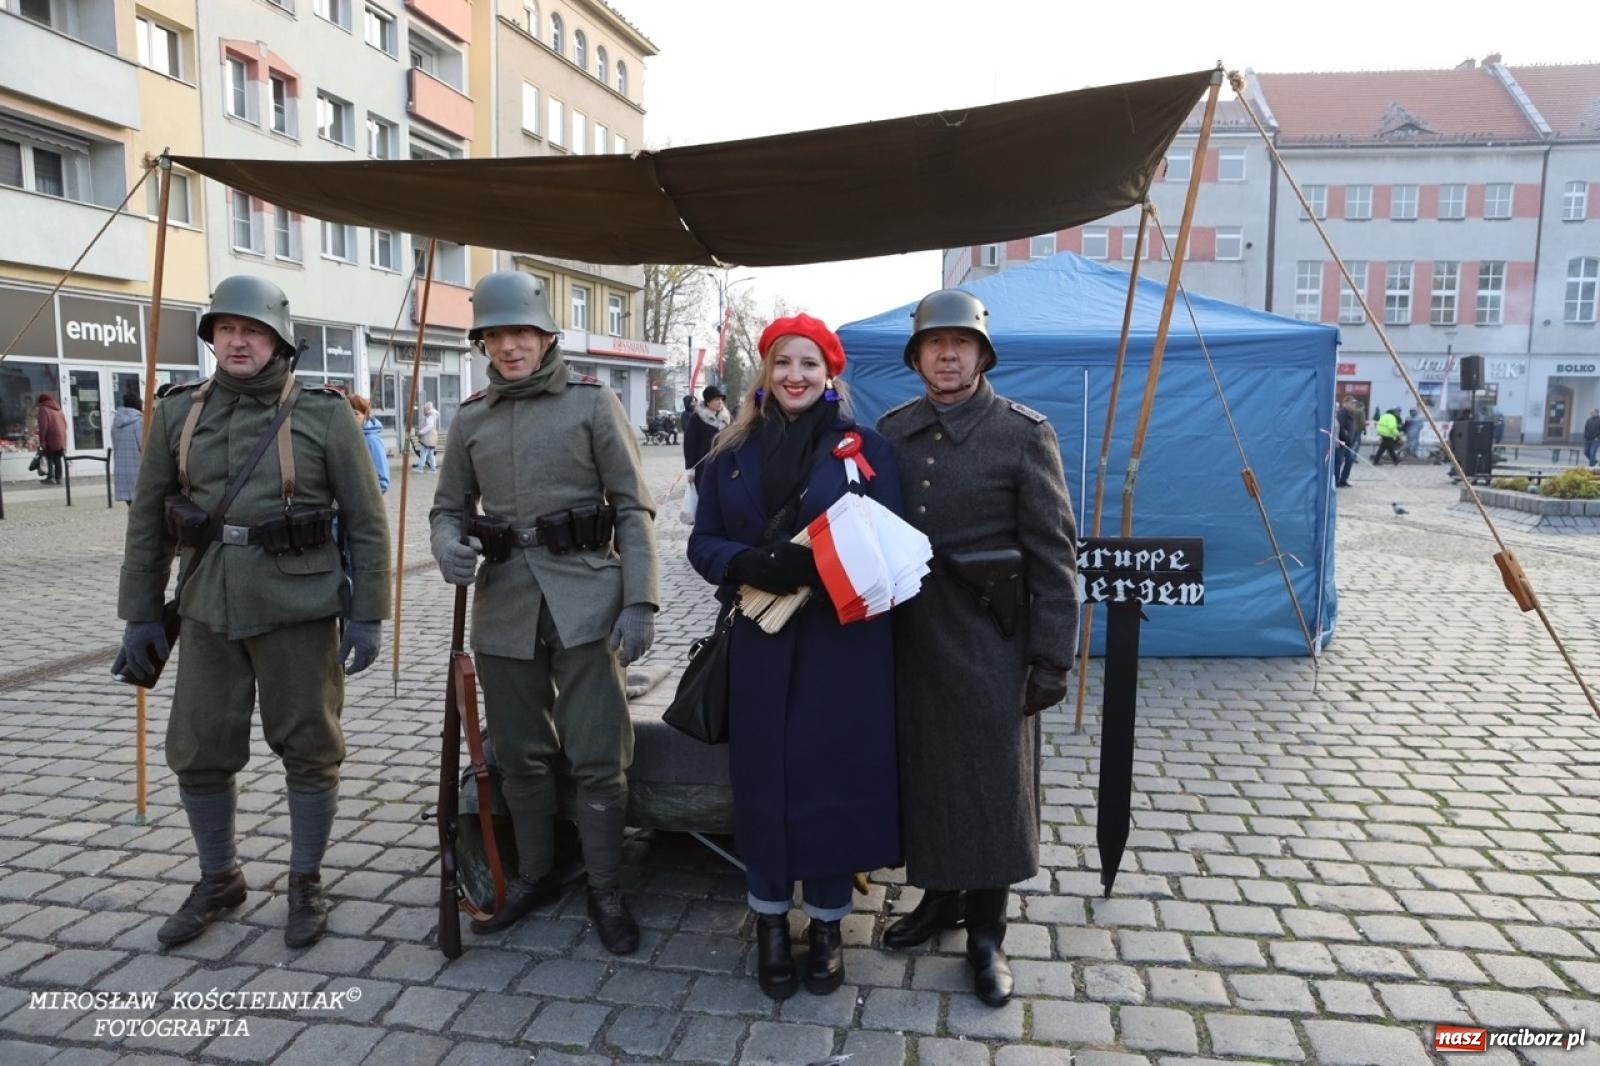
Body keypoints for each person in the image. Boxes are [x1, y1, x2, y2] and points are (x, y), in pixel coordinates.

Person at [116, 275, 391, 949]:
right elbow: (149, 520)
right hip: (208, 604)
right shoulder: (179, 413)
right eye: (227, 331)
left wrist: (368, 613)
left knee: (309, 746)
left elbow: (367, 522)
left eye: (254, 332)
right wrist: (140, 613)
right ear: (213, 339)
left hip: (299, 606)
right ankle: (219, 877)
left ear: (278, 341)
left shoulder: (326, 414)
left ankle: (305, 881)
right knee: (198, 750)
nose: (238, 343)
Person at [429, 271, 659, 954]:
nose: (509, 346)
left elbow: (632, 507)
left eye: (521, 333)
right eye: (495, 335)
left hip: (587, 600)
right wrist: (447, 546)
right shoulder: (470, 417)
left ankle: (606, 885)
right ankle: (536, 873)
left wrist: (641, 600)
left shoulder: (592, 405)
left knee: (597, 754)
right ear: (482, 344)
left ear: (546, 336)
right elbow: (446, 508)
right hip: (504, 604)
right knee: (521, 754)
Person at [688, 313, 902, 1000]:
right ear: (766, 371)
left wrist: (822, 571)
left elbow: (893, 539)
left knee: (832, 783)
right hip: (762, 640)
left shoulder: (864, 447)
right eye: (783, 362)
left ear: (830, 372)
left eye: (809, 363)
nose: (795, 376)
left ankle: (831, 927)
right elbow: (703, 543)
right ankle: (772, 923)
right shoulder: (728, 454)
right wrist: (749, 561)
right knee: (764, 785)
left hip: (843, 644)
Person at [876, 289, 1079, 1008]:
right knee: (927, 776)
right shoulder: (893, 431)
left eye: (962, 344)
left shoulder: (1024, 434)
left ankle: (987, 929)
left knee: (992, 783)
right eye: (936, 345)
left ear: (982, 354)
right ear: (918, 357)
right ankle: (938, 901)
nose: (949, 355)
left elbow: (1055, 553)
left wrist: (1053, 656)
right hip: (914, 637)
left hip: (996, 638)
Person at [681, 383, 731, 483]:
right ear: (708, 402)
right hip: (703, 466)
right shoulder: (697, 418)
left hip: (724, 465)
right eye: (716, 399)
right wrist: (690, 469)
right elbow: (690, 444)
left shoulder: (727, 418)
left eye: (721, 399)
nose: (720, 402)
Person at [348, 394, 390, 493]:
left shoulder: (371, 440)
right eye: (347, 414)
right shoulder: (347, 437)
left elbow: (382, 482)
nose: (351, 418)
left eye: (355, 414)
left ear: (365, 416)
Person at [111, 393, 144, 505]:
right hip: (138, 471)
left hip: (122, 472)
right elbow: (144, 447)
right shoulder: (139, 422)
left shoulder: (116, 422)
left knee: (131, 507)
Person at [35, 391, 68, 484]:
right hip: (61, 437)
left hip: (51, 437)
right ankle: (59, 478)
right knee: (57, 457)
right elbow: (65, 424)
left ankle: (51, 477)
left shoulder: (43, 409)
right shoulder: (58, 409)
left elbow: (43, 426)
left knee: (49, 456)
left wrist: (42, 440)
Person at [1335, 398, 1360, 487]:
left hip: (1349, 443)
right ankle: (1336, 480)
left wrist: (1353, 438)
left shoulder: (1352, 414)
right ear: (1345, 403)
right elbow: (1341, 428)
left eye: (1354, 403)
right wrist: (1346, 438)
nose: (1354, 405)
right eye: (1352, 403)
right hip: (1342, 442)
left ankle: (1344, 479)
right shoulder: (1342, 414)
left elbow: (1353, 428)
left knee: (1349, 461)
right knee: (1338, 461)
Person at [414, 401, 439, 472]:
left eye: (424, 409)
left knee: (423, 452)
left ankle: (420, 467)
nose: (423, 411)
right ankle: (433, 468)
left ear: (427, 409)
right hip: (433, 437)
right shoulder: (434, 415)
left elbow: (429, 426)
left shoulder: (430, 415)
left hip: (428, 438)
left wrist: (420, 432)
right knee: (431, 453)